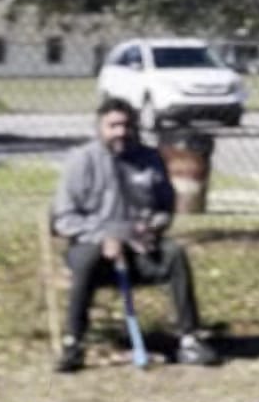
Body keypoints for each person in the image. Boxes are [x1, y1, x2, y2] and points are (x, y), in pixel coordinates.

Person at [50, 97, 217, 372]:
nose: (120, 132)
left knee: (174, 254)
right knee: (87, 258)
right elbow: (64, 218)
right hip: (93, 247)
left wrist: (152, 227)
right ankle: (73, 344)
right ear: (99, 127)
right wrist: (103, 236)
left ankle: (190, 340)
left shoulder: (150, 159)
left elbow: (165, 207)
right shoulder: (81, 161)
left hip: (139, 248)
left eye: (127, 125)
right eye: (113, 125)